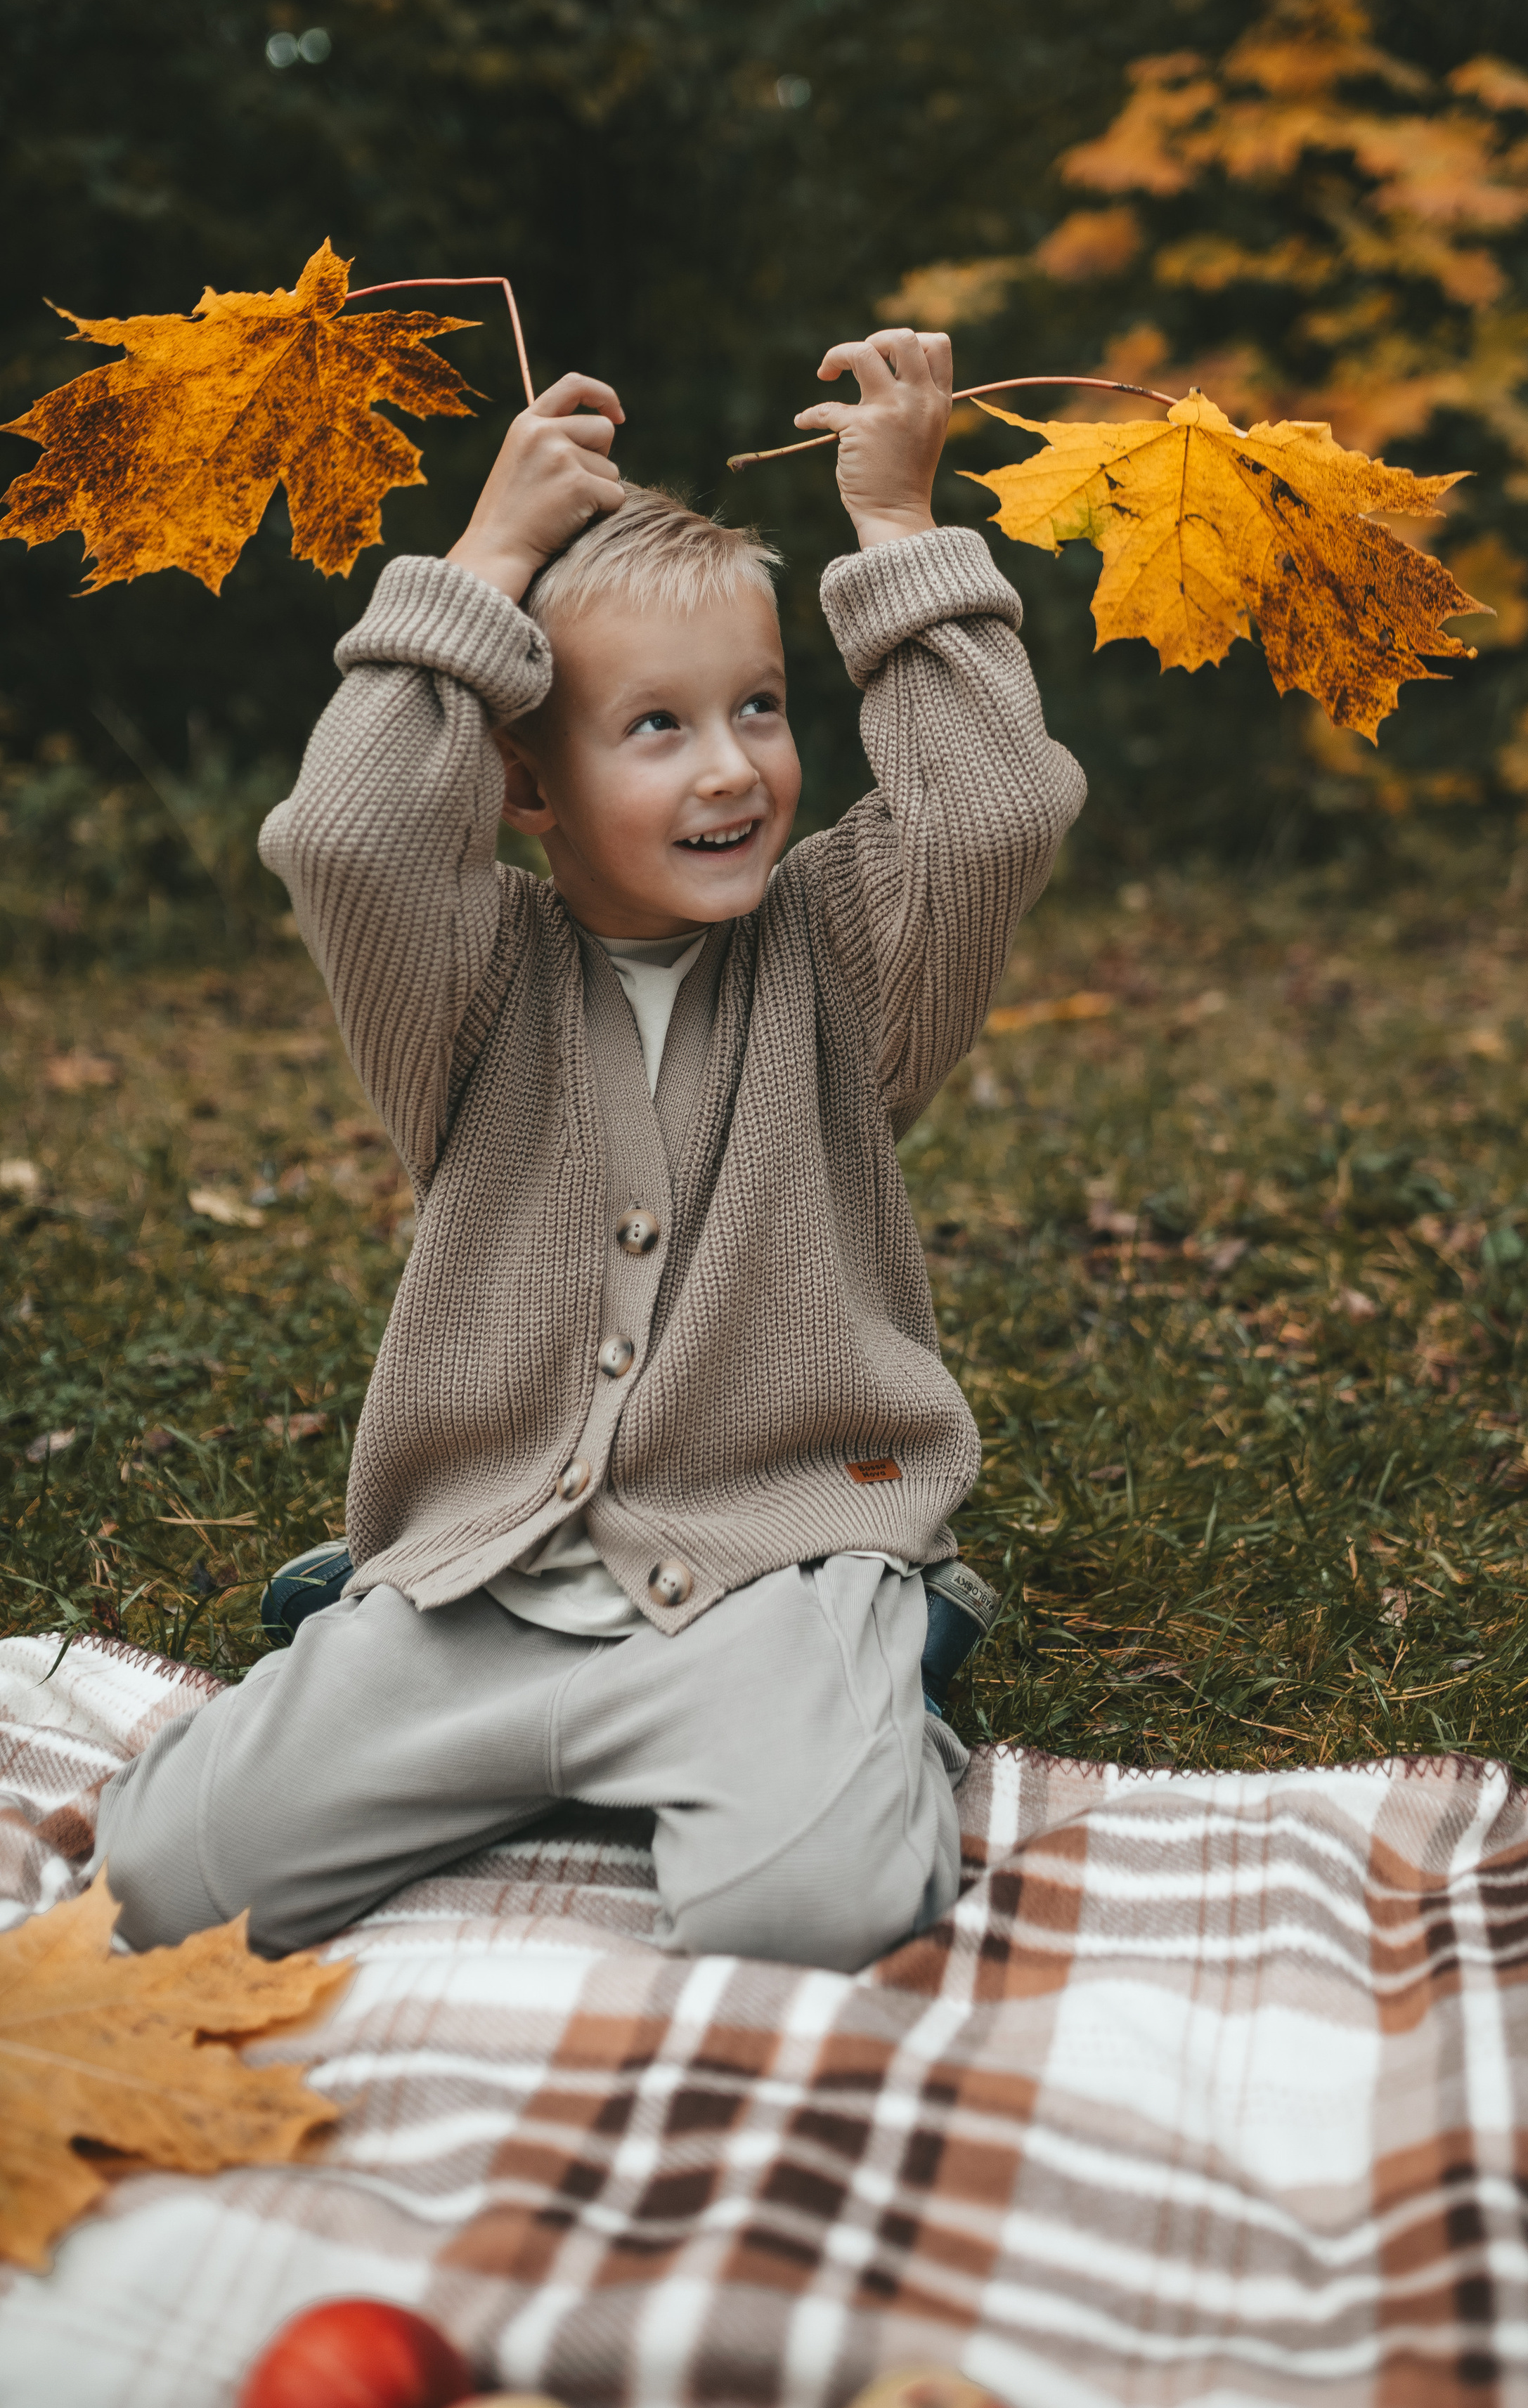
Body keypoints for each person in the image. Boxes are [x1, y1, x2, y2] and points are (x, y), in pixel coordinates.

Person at [93, 327, 1085, 1967]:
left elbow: (989, 815)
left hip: (767, 1576)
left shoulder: (848, 954)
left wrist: (898, 537)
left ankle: (884, 1649)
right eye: (656, 729)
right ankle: (359, 1634)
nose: (732, 770)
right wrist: (481, 564)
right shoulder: (463, 981)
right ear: (524, 787)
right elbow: (343, 835)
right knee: (163, 1885)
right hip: (484, 1588)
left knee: (816, 1906)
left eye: (758, 709)